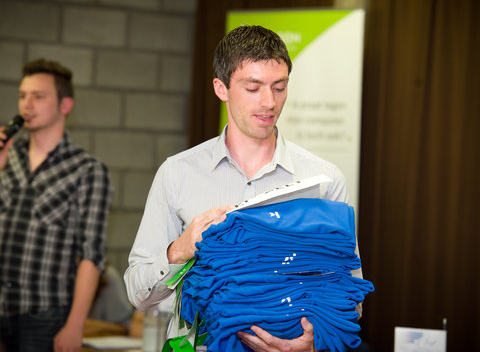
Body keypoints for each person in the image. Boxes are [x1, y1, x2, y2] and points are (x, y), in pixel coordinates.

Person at [124, 25, 361, 352]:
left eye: (279, 87)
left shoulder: (325, 180)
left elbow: (351, 294)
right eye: (253, 88)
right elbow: (139, 295)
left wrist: (314, 343)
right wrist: (180, 249)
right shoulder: (177, 174)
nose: (269, 102)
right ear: (221, 88)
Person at [0, 59, 113, 352]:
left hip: (45, 317)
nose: (27, 105)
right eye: (23, 96)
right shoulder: (7, 158)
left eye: (38, 97)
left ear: (65, 105)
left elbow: (91, 255)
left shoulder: (87, 170)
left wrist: (75, 324)